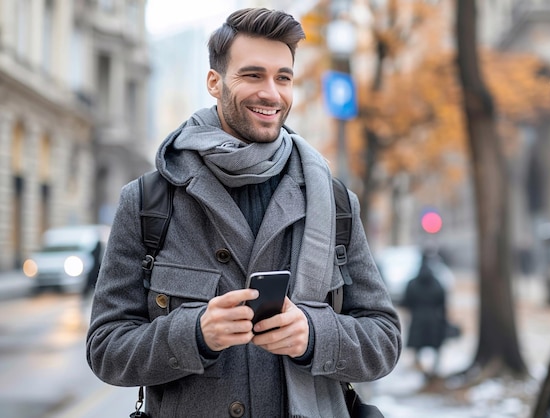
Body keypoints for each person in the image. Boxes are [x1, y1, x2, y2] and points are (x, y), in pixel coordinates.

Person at [86, 8, 401, 418]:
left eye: (283, 78)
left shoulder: (335, 201)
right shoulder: (148, 201)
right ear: (215, 83)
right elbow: (106, 348)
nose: (271, 93)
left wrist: (315, 334)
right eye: (253, 75)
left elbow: (385, 340)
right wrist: (193, 335)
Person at [401, 253, 448, 378]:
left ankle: (419, 366)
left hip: (417, 318)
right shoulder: (437, 283)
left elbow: (406, 301)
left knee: (418, 345)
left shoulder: (412, 283)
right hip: (434, 319)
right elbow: (442, 301)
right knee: (435, 345)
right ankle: (434, 368)